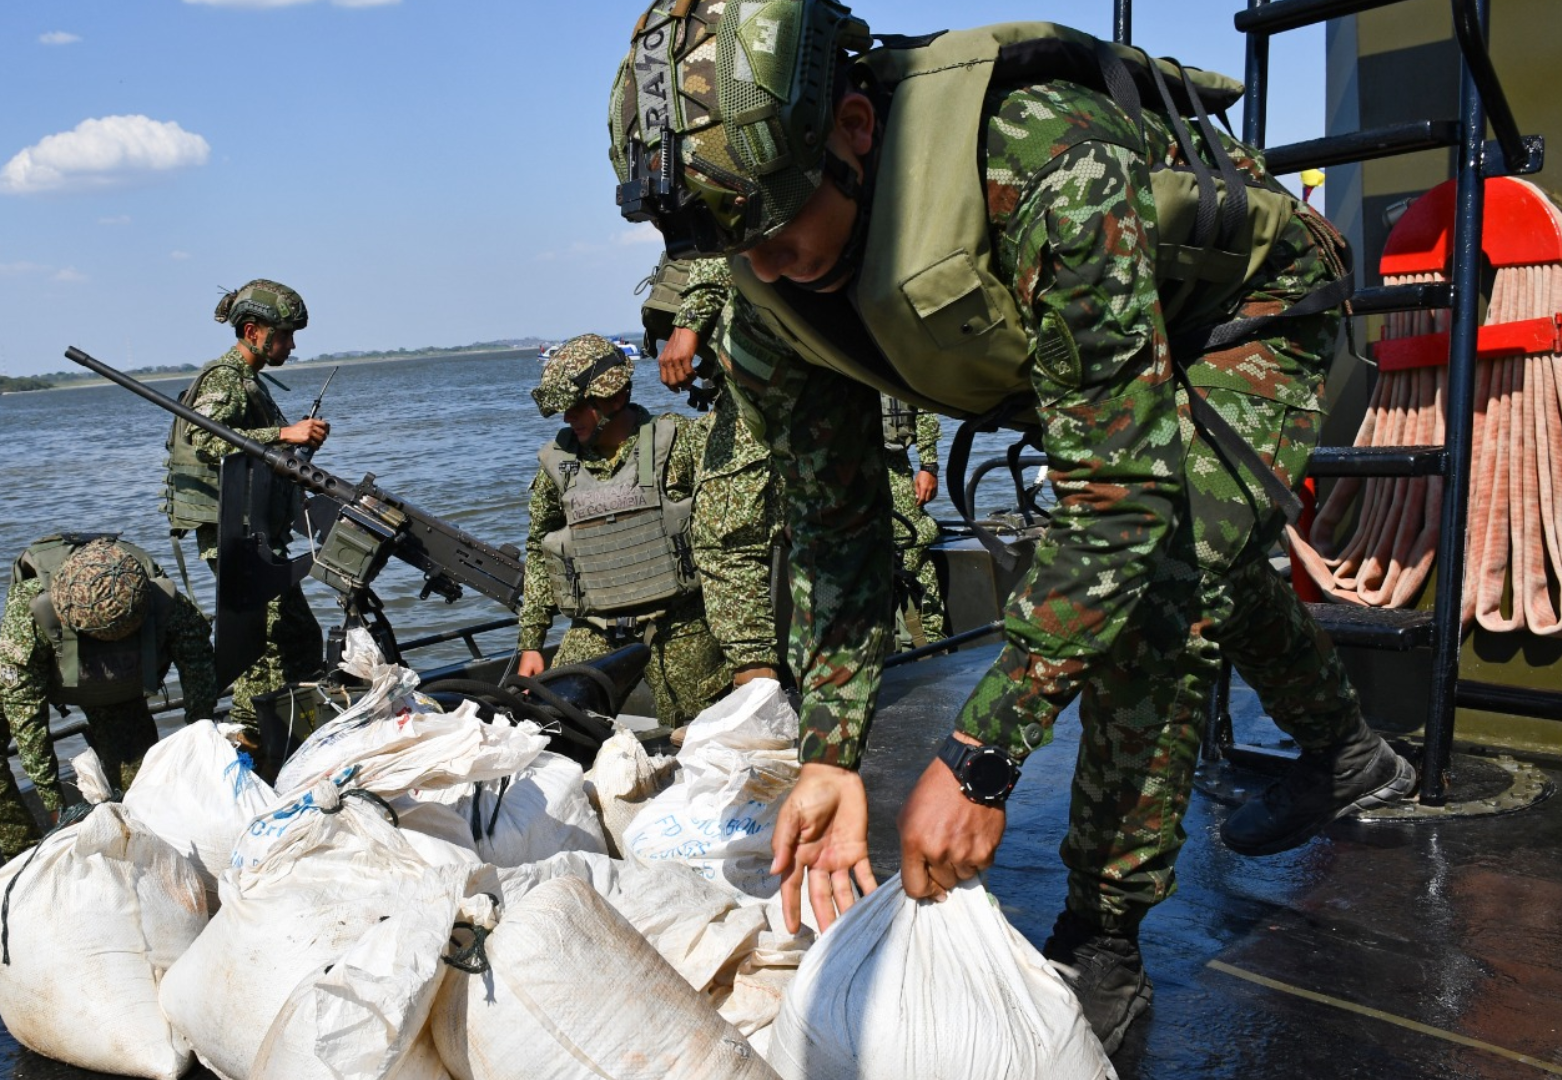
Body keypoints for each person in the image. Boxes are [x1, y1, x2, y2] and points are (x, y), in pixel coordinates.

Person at [607, 5, 1414, 1053]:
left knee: (1165, 580)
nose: (765, 270)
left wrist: (982, 759)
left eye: (776, 230)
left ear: (855, 128)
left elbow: (1118, 500)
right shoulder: (766, 294)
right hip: (1104, 334)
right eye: (733, 250)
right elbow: (837, 529)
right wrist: (831, 751)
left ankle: (1104, 935)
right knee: (1195, 549)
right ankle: (1348, 752)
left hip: (1244, 315)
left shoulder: (1043, 159)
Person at [0, 535, 216, 859]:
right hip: (39, 666)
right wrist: (53, 804)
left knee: (142, 798)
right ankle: (23, 852)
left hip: (116, 684)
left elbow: (199, 671)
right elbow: (26, 713)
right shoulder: (30, 610)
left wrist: (201, 747)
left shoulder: (164, 601)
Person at [515, 333, 732, 731]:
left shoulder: (677, 442)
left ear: (613, 398)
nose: (568, 418)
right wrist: (531, 641)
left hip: (680, 625)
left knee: (705, 739)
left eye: (578, 406)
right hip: (595, 627)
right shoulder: (558, 464)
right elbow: (538, 547)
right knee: (554, 728)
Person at [163, 278, 327, 733]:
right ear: (254, 331)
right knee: (264, 646)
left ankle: (297, 731)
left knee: (298, 638)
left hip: (254, 532)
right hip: (234, 538)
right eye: (285, 335)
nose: (291, 346)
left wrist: (294, 451)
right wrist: (283, 434)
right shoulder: (224, 379)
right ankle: (250, 739)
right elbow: (206, 438)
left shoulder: (250, 383)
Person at [646, 254, 787, 688]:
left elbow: (724, 241)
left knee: (726, 538)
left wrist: (687, 328)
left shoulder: (717, 210)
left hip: (764, 382)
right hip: (807, 372)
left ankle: (757, 713)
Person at [882, 395, 946, 648]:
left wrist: (928, 466)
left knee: (912, 547)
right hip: (843, 464)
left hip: (894, 465)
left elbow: (923, 402)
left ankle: (931, 645)